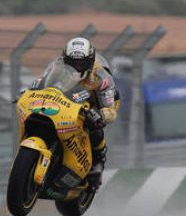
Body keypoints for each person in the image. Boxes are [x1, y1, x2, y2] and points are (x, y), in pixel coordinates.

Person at [31, 37, 120, 189]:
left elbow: (111, 109)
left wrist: (102, 115)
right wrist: (31, 91)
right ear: (65, 59)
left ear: (90, 61)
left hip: (96, 102)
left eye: (82, 63)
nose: (77, 66)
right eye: (73, 62)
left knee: (95, 127)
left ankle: (97, 165)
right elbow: (42, 81)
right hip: (65, 100)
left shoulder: (101, 76)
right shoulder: (57, 66)